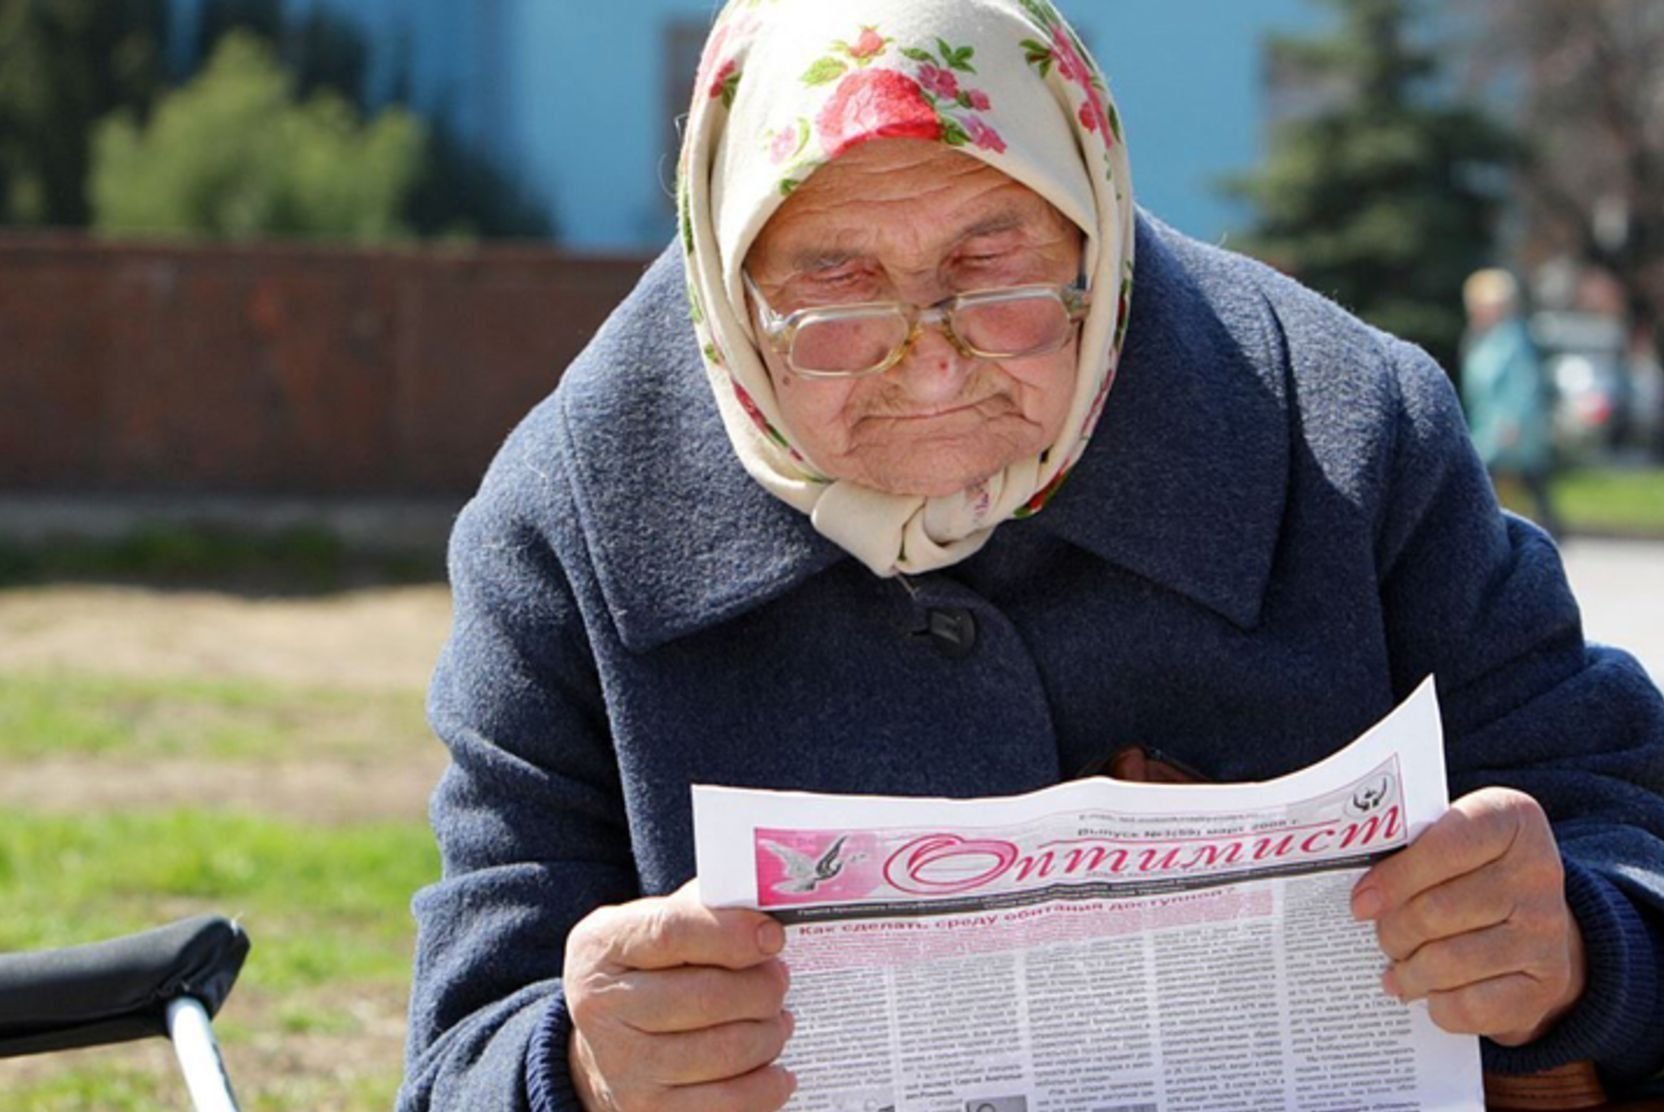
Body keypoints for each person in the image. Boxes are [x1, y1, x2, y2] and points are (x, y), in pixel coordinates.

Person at [399, 1, 1664, 1108]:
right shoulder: (569, 521)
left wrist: (1578, 942)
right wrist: (576, 1069)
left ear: (1093, 232)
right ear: (729, 297)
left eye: (989, 265)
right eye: (834, 287)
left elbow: (1618, 816)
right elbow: (462, 1043)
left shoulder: (1344, 424)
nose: (932, 360)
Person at [1461, 268, 1562, 539]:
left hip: (1506, 425)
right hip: (1487, 422)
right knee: (1522, 479)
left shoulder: (1513, 340)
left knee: (1494, 474)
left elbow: (1523, 384)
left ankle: (1544, 529)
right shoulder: (1482, 338)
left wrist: (1512, 421)